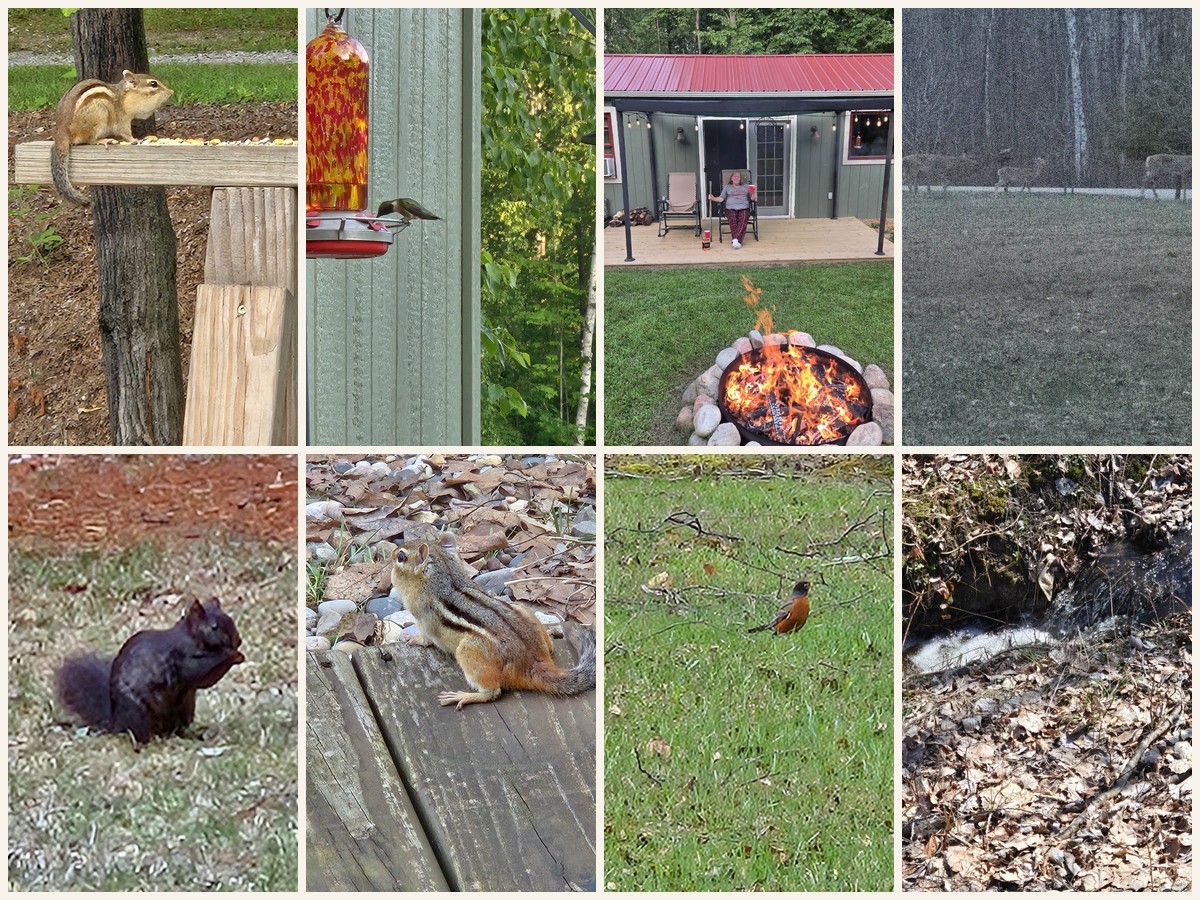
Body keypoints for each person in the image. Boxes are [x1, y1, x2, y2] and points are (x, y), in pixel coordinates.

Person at [708, 171, 752, 248]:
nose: (736, 178)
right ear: (731, 178)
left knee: (743, 219)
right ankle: (737, 241)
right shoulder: (727, 187)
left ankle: (735, 240)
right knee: (733, 219)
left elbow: (753, 198)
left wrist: (754, 192)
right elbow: (721, 199)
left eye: (738, 176)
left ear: (740, 179)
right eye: (734, 176)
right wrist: (713, 198)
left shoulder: (746, 186)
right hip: (730, 208)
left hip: (744, 208)